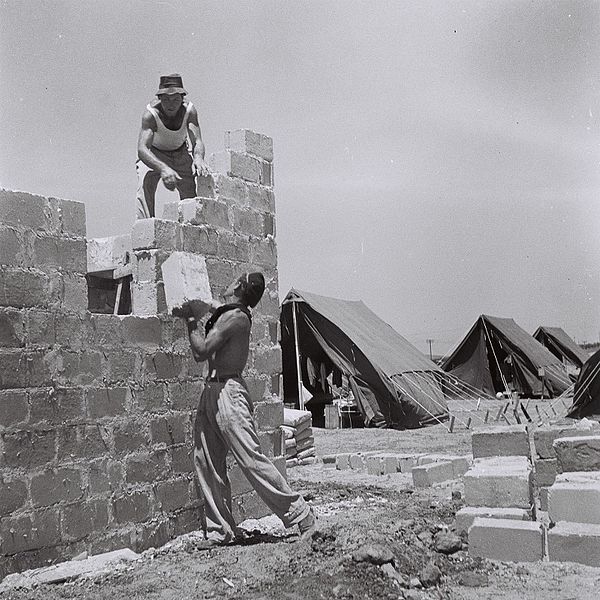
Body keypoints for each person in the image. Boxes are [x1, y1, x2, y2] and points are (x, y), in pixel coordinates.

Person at [180, 272, 316, 545]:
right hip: (212, 391)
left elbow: (201, 351)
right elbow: (215, 308)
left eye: (234, 280)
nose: (228, 281)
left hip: (229, 393)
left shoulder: (237, 318)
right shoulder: (229, 313)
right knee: (206, 462)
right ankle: (221, 530)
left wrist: (191, 319)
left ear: (240, 286)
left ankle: (300, 514)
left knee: (251, 459)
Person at [136, 73, 210, 219]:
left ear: (182, 99)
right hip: (154, 154)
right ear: (160, 99)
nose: (171, 104)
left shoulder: (189, 111)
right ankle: (146, 227)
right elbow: (142, 149)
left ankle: (191, 227)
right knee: (144, 184)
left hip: (180, 153)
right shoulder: (151, 115)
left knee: (190, 193)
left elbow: (197, 141)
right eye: (167, 99)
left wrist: (199, 158)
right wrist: (163, 168)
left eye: (175, 99)